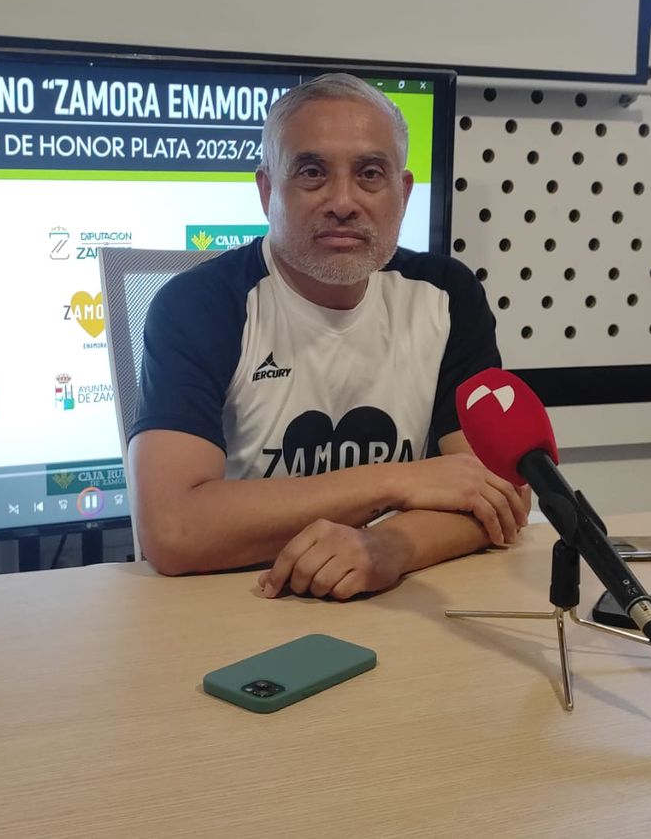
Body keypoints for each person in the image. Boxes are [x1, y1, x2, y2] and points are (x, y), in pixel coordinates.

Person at [126, 73, 529, 599]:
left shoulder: (447, 295)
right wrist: (396, 481)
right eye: (313, 172)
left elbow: (497, 497)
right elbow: (174, 531)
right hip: (237, 599)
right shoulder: (199, 306)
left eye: (369, 174)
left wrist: (391, 549)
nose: (344, 201)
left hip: (398, 598)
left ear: (402, 193)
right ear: (267, 189)